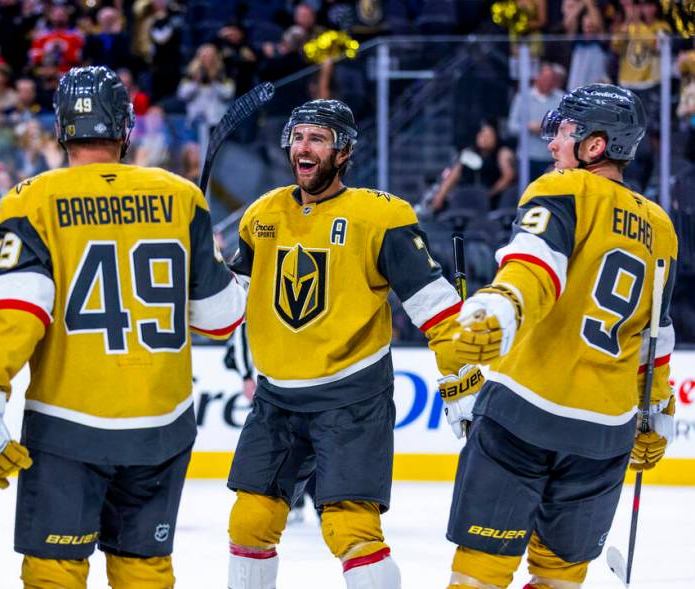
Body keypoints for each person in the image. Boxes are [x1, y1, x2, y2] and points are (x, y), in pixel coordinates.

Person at [0, 65, 245, 588]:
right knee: (145, 571)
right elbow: (221, 320)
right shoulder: (181, 197)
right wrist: (231, 272)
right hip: (162, 420)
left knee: (55, 573)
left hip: (68, 424)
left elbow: (18, 311)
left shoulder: (32, 198)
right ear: (126, 128)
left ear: (61, 127)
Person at [225, 99, 483, 589]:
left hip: (352, 398)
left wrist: (460, 378)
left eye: (317, 138)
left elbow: (437, 307)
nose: (304, 147)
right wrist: (198, 276)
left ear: (342, 152)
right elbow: (232, 300)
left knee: (350, 528)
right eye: (298, 137)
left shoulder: (378, 216)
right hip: (276, 397)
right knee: (249, 523)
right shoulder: (263, 213)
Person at [442, 84, 678, 589]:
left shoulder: (563, 188)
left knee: (479, 573)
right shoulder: (661, 226)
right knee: (560, 580)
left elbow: (534, 265)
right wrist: (654, 412)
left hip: (526, 410)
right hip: (606, 431)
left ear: (595, 146)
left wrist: (499, 307)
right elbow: (653, 332)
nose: (552, 144)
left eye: (565, 132)